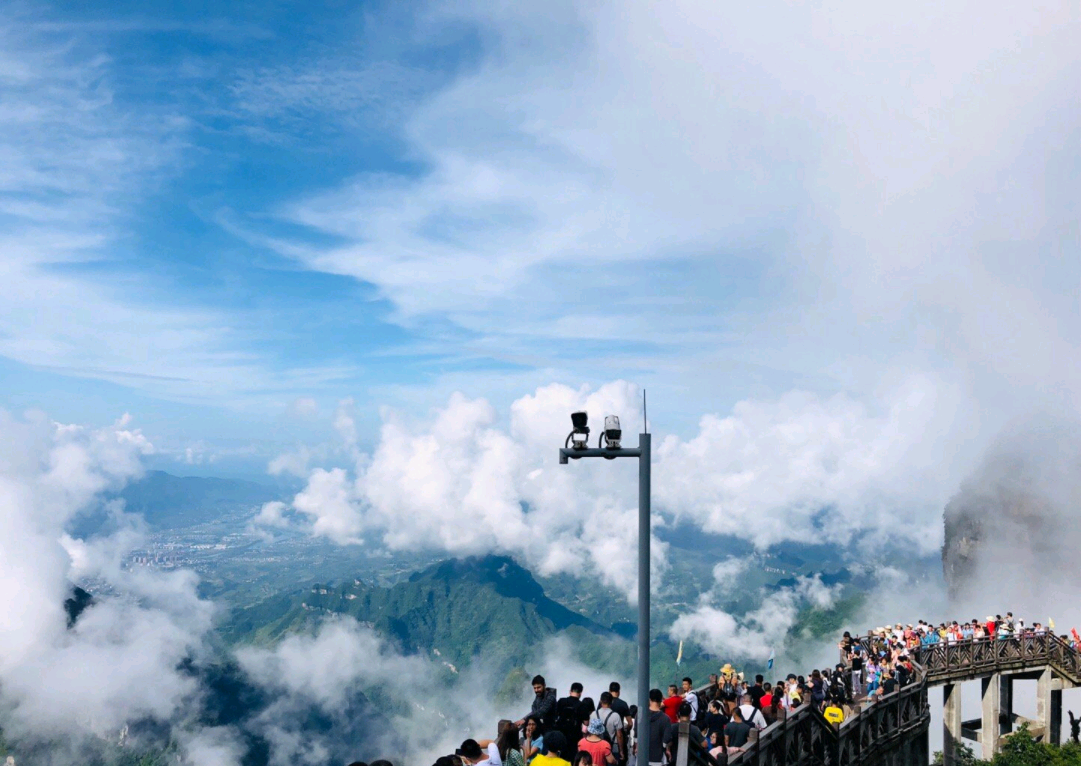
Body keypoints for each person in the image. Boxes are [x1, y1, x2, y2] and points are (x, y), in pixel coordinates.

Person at [591, 692, 624, 761]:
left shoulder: (593, 714)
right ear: (612, 701)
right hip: (612, 746)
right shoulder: (615, 716)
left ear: (600, 701)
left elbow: (590, 732)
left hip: (596, 745)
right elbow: (619, 735)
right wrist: (621, 751)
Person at [554, 683, 584, 760]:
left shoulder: (561, 701)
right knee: (573, 757)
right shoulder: (582, 705)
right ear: (580, 693)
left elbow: (556, 715)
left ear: (570, 691)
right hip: (575, 736)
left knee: (561, 757)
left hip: (561, 734)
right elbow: (586, 722)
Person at [643, 689, 671, 766]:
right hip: (658, 758)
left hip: (642, 757)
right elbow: (667, 738)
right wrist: (666, 749)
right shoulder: (665, 718)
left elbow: (636, 735)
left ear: (649, 699)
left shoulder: (641, 715)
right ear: (661, 700)